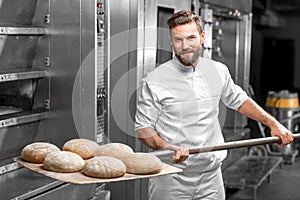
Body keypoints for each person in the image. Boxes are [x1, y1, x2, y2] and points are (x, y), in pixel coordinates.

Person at [134, 10, 294, 200]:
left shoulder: (217, 70)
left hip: (211, 177)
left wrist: (272, 123)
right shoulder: (154, 80)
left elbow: (240, 100)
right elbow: (143, 128)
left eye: (191, 38)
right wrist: (166, 146)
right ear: (171, 41)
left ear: (202, 37)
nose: (185, 46)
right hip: (171, 178)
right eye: (178, 40)